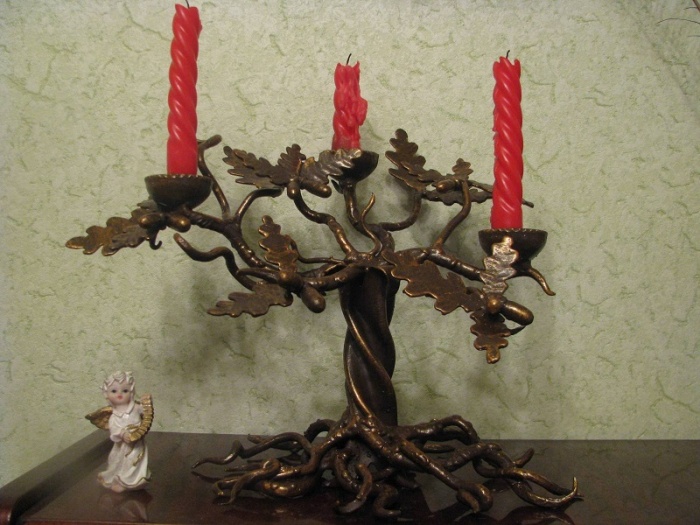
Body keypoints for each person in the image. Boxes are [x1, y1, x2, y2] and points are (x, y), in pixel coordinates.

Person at [87, 371, 152, 492]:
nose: (119, 394)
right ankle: (116, 478)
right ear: (106, 394)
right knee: (115, 460)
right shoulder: (114, 415)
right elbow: (114, 430)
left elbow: (146, 414)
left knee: (133, 461)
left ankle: (131, 481)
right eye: (114, 391)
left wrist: (147, 405)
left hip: (136, 444)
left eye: (125, 390)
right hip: (121, 445)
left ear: (131, 391)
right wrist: (122, 434)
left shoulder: (136, 408)